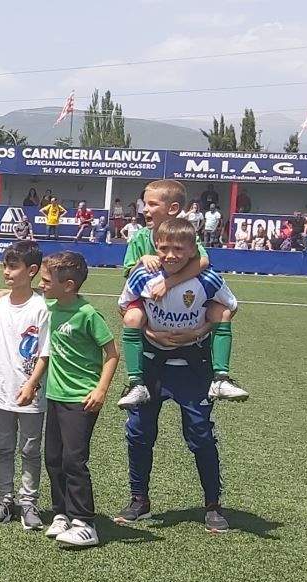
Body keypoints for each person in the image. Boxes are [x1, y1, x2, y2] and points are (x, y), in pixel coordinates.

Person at [114, 217, 236, 532]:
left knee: (200, 434)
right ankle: (139, 500)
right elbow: (124, 308)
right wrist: (151, 331)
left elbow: (228, 308)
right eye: (163, 248)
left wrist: (199, 328)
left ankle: (212, 505)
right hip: (152, 364)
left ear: (192, 249)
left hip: (193, 367)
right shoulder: (143, 274)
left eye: (178, 248)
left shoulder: (207, 277)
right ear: (155, 246)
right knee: (139, 432)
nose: (170, 254)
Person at [118, 180, 245, 409]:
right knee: (132, 316)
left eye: (151, 204)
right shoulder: (139, 238)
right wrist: (141, 260)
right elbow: (129, 277)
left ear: (173, 209)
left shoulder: (188, 235)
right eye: (144, 204)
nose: (144, 209)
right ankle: (135, 383)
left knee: (220, 310)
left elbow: (203, 261)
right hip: (152, 311)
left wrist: (169, 283)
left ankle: (221, 378)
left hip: (189, 317)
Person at [38, 251, 118, 547]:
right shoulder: (51, 305)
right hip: (55, 395)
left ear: (69, 285)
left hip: (81, 399)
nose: (41, 284)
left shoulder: (87, 314)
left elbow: (112, 353)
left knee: (74, 459)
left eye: (46, 280)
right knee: (54, 459)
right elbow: (26, 297)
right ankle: (62, 513)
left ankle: (85, 522)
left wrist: (101, 390)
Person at [0, 240, 48, 529]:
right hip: (1, 389)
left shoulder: (41, 307)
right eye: (4, 266)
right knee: (3, 448)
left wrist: (31, 384)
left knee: (31, 450)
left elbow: (45, 352)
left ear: (31, 270)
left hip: (31, 393)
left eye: (13, 267)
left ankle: (29, 503)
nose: (6, 272)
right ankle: (4, 499)